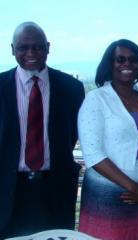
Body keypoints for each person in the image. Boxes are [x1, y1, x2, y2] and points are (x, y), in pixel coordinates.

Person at [0, 22, 85, 238]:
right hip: (7, 190)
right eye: (23, 47)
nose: (31, 53)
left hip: (55, 188)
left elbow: (72, 135)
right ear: (12, 49)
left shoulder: (72, 88)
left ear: (48, 47)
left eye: (37, 47)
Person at [77, 39, 138, 240]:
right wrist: (134, 188)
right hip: (107, 197)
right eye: (120, 59)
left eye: (133, 60)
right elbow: (93, 154)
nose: (127, 64)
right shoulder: (96, 99)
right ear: (110, 65)